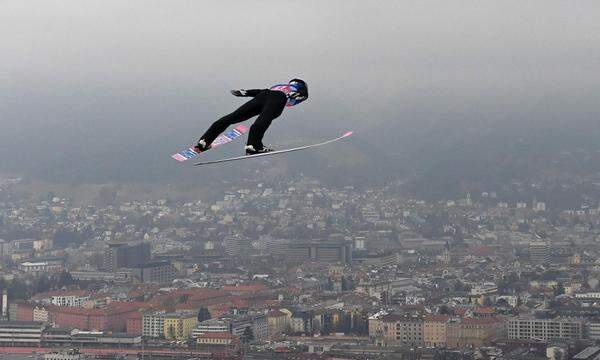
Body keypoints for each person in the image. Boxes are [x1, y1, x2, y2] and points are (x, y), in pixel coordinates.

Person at [195, 79, 308, 155]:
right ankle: (253, 145)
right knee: (264, 119)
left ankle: (204, 142)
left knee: (233, 117)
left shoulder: (279, 86)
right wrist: (299, 94)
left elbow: (261, 91)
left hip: (263, 96)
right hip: (278, 99)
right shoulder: (299, 89)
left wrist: (245, 92)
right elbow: (304, 93)